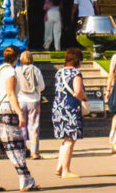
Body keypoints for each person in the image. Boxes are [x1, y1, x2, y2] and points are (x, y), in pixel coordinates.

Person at [0, 46, 38, 192]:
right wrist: (20, 113)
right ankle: (26, 180)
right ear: (17, 58)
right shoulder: (10, 72)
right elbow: (11, 95)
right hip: (5, 111)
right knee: (15, 147)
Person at [52, 47, 87, 179]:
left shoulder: (59, 73)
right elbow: (78, 91)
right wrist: (85, 98)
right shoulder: (76, 74)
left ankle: (60, 166)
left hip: (58, 107)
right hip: (71, 108)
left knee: (65, 138)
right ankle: (66, 170)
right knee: (71, 139)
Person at [17, 50, 45, 160]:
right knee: (34, 126)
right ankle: (35, 152)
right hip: (34, 100)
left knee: (21, 126)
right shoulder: (36, 70)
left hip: (21, 100)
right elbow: (42, 86)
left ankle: (22, 149)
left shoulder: (17, 70)